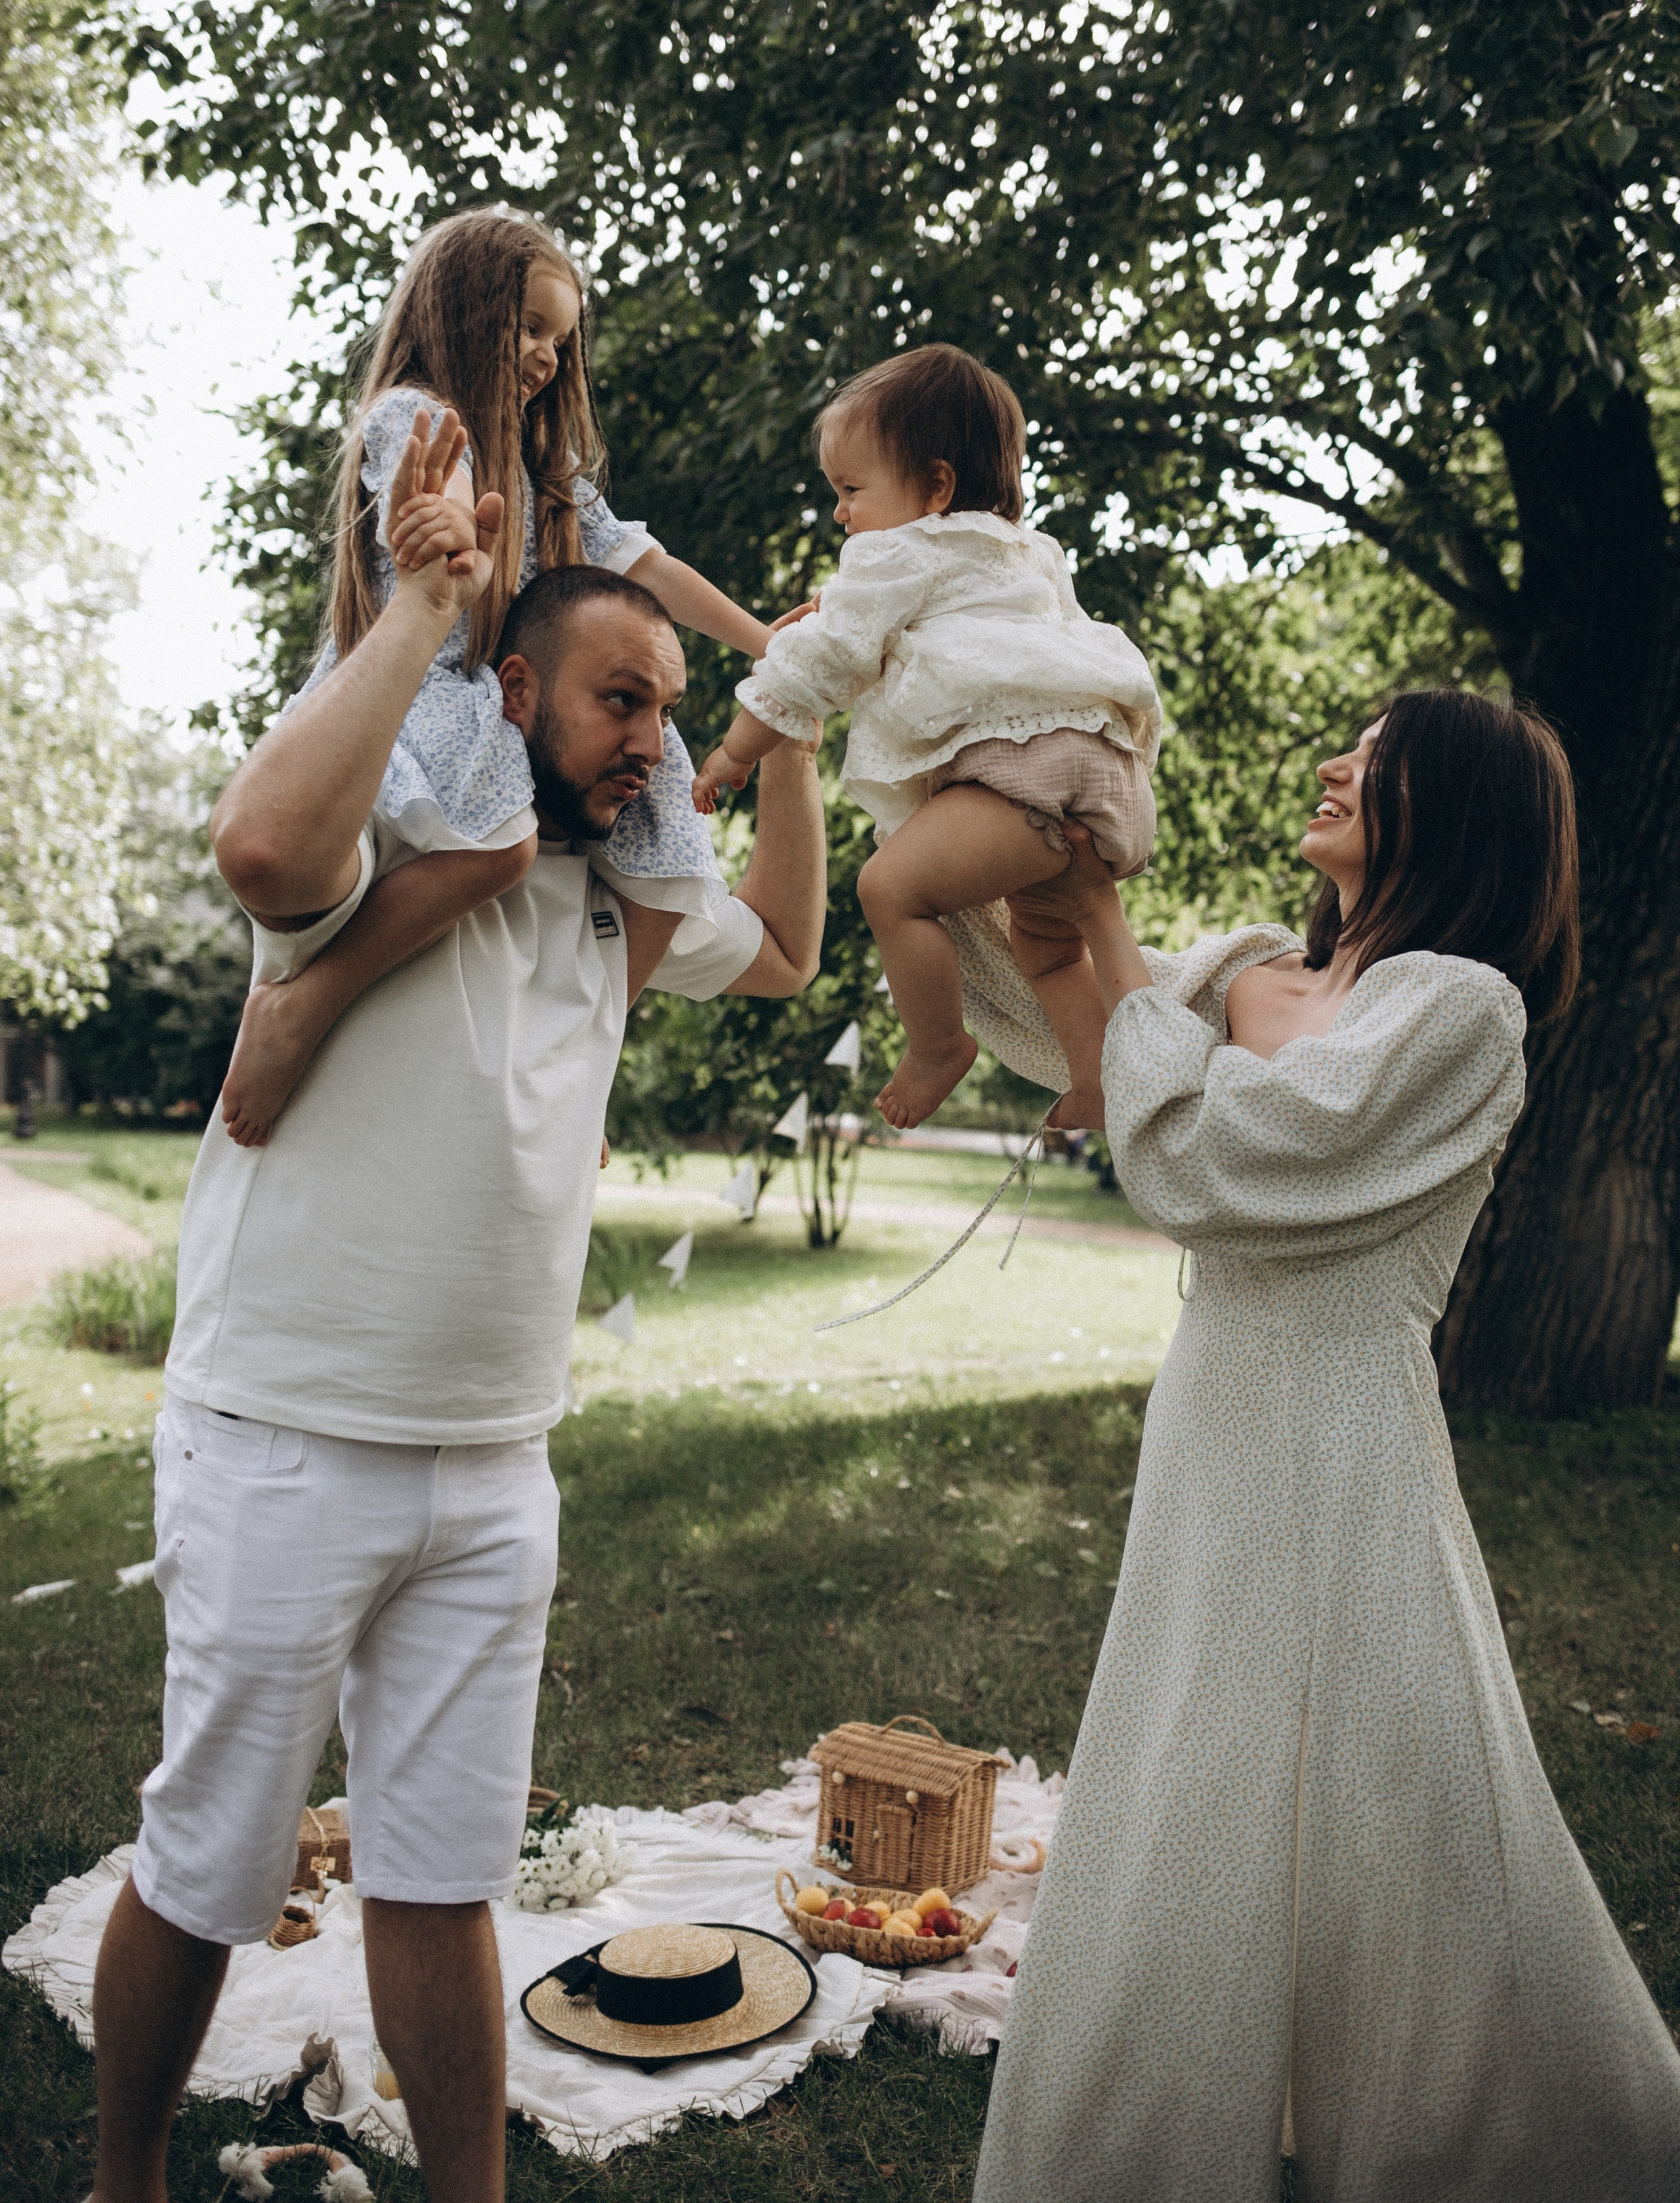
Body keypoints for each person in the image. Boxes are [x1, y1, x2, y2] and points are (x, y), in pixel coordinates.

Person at [87, 488, 826, 2203]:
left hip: (498, 1468)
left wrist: (779, 729)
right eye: (618, 699)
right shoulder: (382, 864)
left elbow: (786, 949)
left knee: (440, 1876)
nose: (654, 737)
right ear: (513, 699)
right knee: (210, 1861)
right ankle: (116, 2181)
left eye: (667, 702)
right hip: (284, 1439)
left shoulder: (619, 905)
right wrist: (423, 607)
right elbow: (266, 847)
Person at [969, 690, 1680, 2202]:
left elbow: (1225, 1161)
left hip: (1344, 1429)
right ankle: (1161, 2119)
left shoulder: (1460, 1008)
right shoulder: (1237, 967)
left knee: (1385, 1790)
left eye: (1374, 751)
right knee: (1180, 1765)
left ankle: (1495, 2128)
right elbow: (1080, 1051)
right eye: (1336, 735)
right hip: (1211, 1409)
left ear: (1461, 803)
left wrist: (1110, 951)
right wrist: (1018, 854)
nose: (1326, 759)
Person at [220, 205, 802, 1146]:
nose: (547, 356)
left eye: (561, 342)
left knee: (670, 849)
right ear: (462, 311)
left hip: (503, 695)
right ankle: (311, 1000)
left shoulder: (551, 469)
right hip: (424, 689)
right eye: (531, 327)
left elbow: (648, 568)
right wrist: (447, 536)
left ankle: (588, 1057)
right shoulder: (419, 415)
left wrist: (764, 643)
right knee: (502, 849)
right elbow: (442, 490)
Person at [691, 342, 1161, 1132]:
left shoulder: (897, 550)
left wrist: (736, 751)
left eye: (850, 489)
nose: (842, 514)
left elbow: (821, 658)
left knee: (888, 888)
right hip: (1110, 772)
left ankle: (939, 1044)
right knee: (1046, 947)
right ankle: (1095, 1077)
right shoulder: (1032, 552)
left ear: (935, 486)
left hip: (1022, 771)